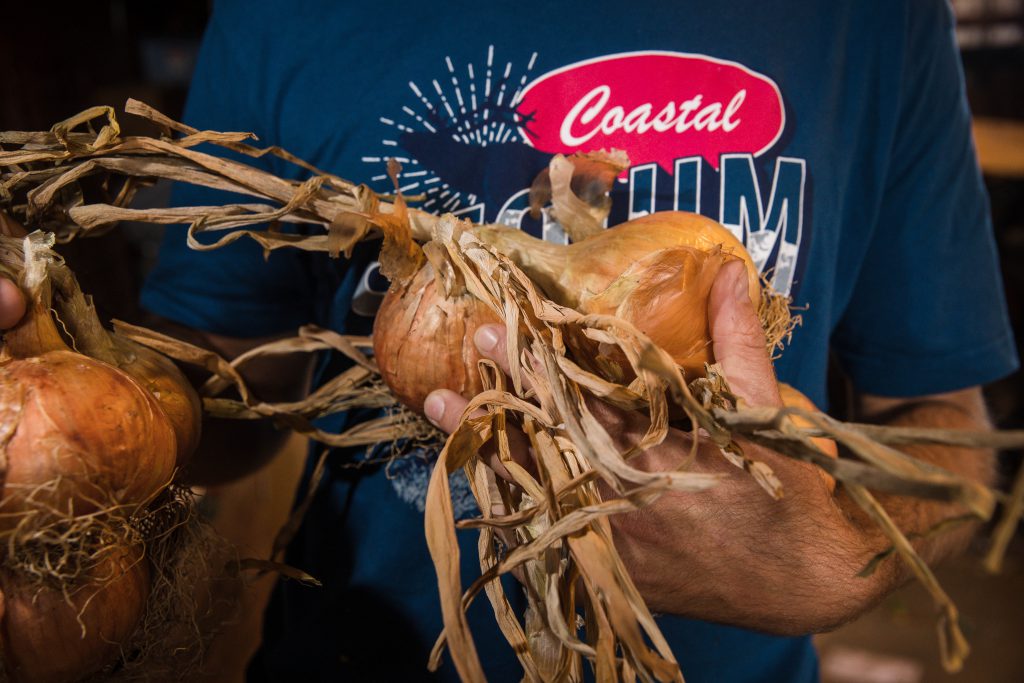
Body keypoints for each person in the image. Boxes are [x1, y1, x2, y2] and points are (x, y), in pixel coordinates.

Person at [3, 1, 1017, 681]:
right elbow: (226, 382)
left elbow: (949, 431)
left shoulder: (869, 19)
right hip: (366, 653)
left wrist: (844, 562)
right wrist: (88, 405)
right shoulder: (288, 8)